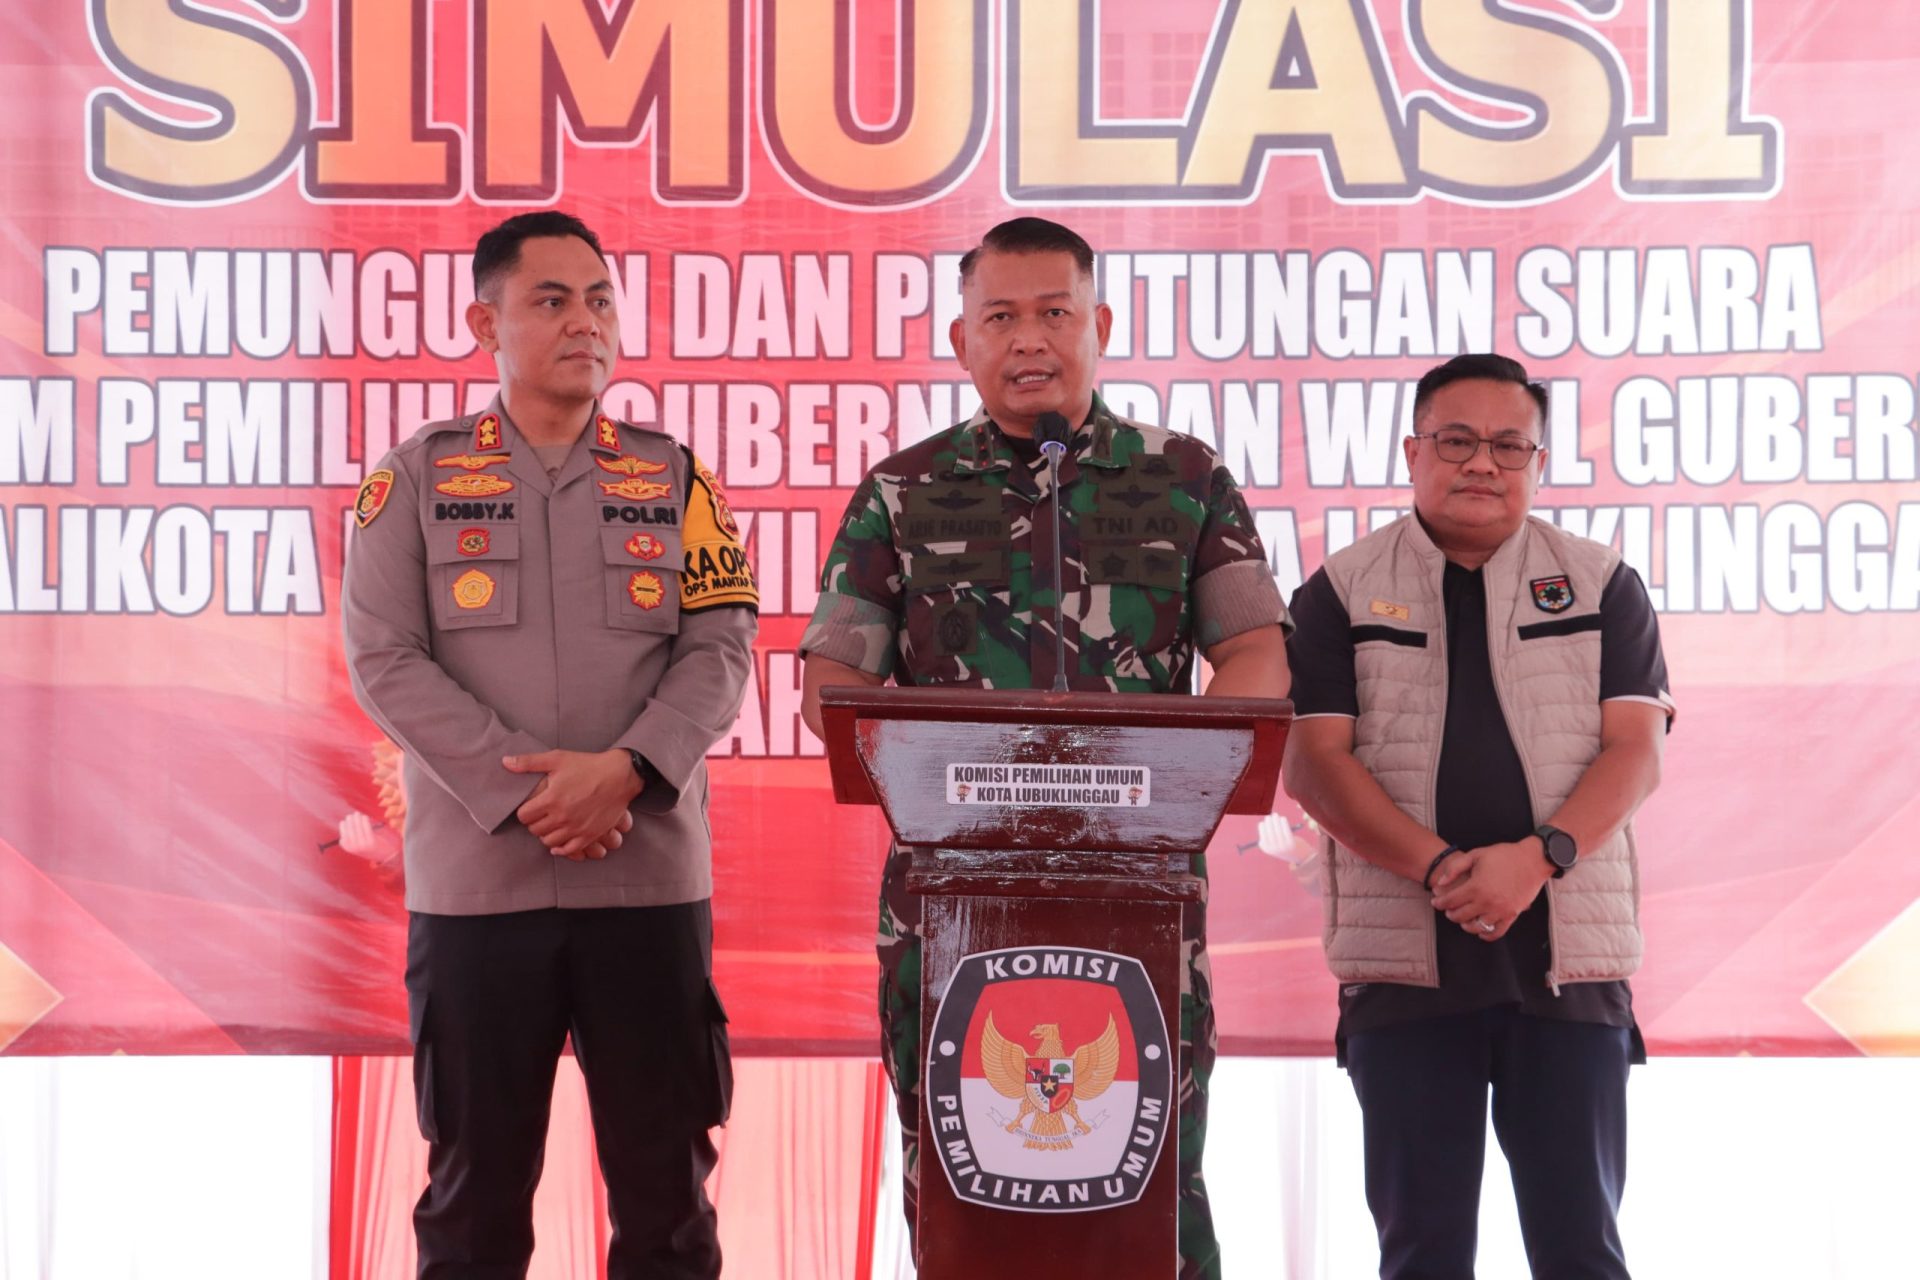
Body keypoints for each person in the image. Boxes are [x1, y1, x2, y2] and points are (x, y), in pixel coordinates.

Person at [798, 216, 1291, 1280]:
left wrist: (1179, 768)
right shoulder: (902, 491)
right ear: (962, 340)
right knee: (960, 1161)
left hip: (1141, 889)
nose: (1029, 339)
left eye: (1054, 313)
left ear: (1099, 325)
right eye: (1001, 318)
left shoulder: (1186, 478)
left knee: (1152, 1161)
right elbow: (833, 687)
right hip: (947, 900)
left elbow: (1256, 656)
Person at [342, 211, 757, 1279]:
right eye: (553, 300)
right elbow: (383, 657)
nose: (586, 322)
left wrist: (626, 771)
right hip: (480, 890)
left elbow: (722, 645)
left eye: (600, 299)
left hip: (647, 881)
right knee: (472, 1207)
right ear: (486, 323)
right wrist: (532, 791)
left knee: (669, 1206)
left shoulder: (677, 478)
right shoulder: (414, 479)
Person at [1281, 353, 1674, 1279]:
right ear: (1412, 451)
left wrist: (1537, 859)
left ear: (1538, 461)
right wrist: (1439, 869)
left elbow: (1636, 751)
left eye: (1509, 446)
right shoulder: (1339, 591)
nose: (1482, 464)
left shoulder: (1601, 584)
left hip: (1566, 967)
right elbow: (1315, 765)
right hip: (1406, 969)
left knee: (1581, 1248)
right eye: (1457, 441)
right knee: (1421, 1252)